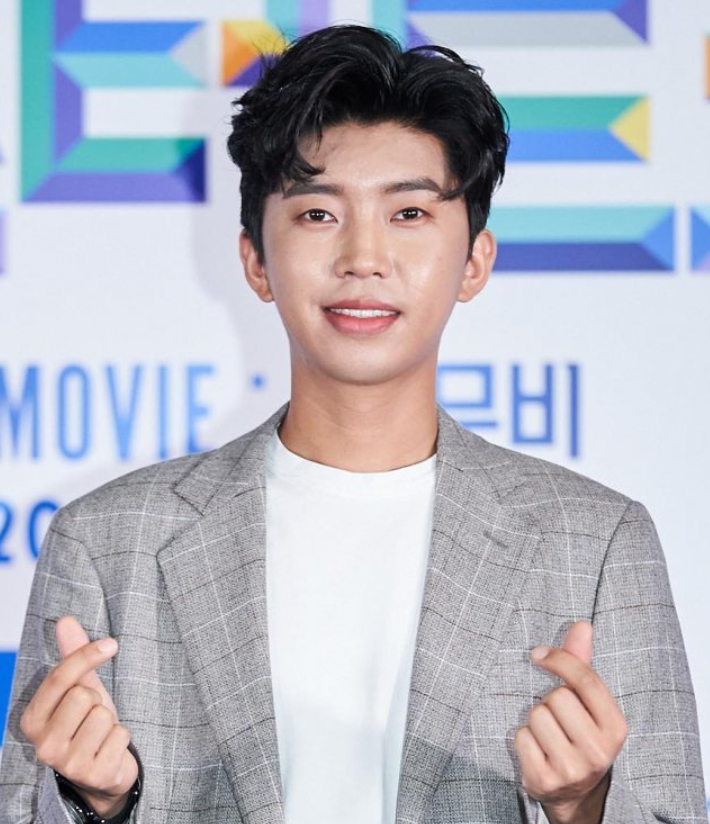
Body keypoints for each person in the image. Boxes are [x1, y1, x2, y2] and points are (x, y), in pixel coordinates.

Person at [0, 24, 706, 824]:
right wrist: (96, 804)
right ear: (255, 261)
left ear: (475, 260)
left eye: (409, 212)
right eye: (317, 214)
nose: (363, 257)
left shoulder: (596, 542)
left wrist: (584, 805)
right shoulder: (108, 541)